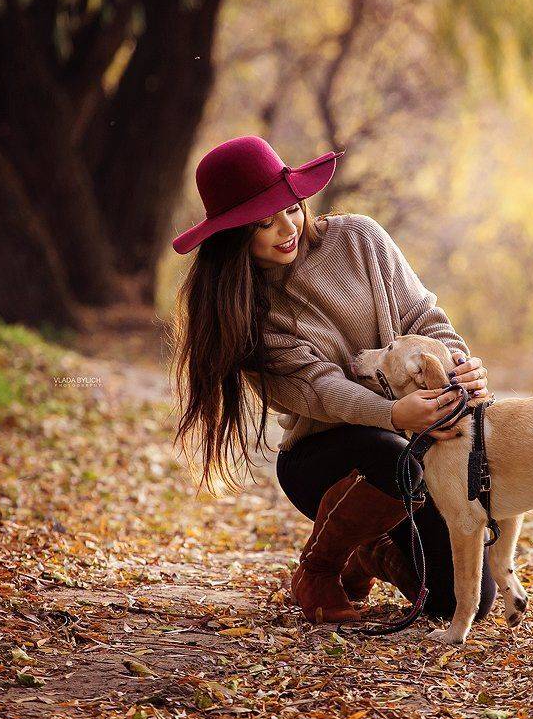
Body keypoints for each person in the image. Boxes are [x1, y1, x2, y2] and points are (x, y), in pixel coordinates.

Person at [169, 136, 496, 624]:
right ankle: (319, 568)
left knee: (461, 602)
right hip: (327, 460)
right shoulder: (245, 315)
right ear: (234, 234)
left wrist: (457, 366)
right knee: (389, 452)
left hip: (414, 451)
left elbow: (424, 317)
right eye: (265, 223)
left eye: (292, 209)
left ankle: (369, 554)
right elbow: (322, 390)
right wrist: (392, 413)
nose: (288, 228)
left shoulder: (359, 238)